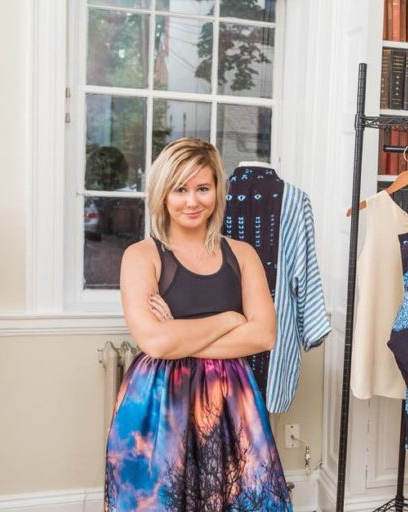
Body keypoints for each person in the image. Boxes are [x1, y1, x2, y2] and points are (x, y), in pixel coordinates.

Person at [104, 138, 293, 511]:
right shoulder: (141, 256)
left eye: (203, 188)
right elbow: (156, 343)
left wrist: (179, 333)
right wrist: (229, 319)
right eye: (180, 189)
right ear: (163, 194)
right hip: (158, 406)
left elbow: (264, 334)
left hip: (232, 406)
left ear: (218, 191)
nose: (192, 201)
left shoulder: (243, 255)